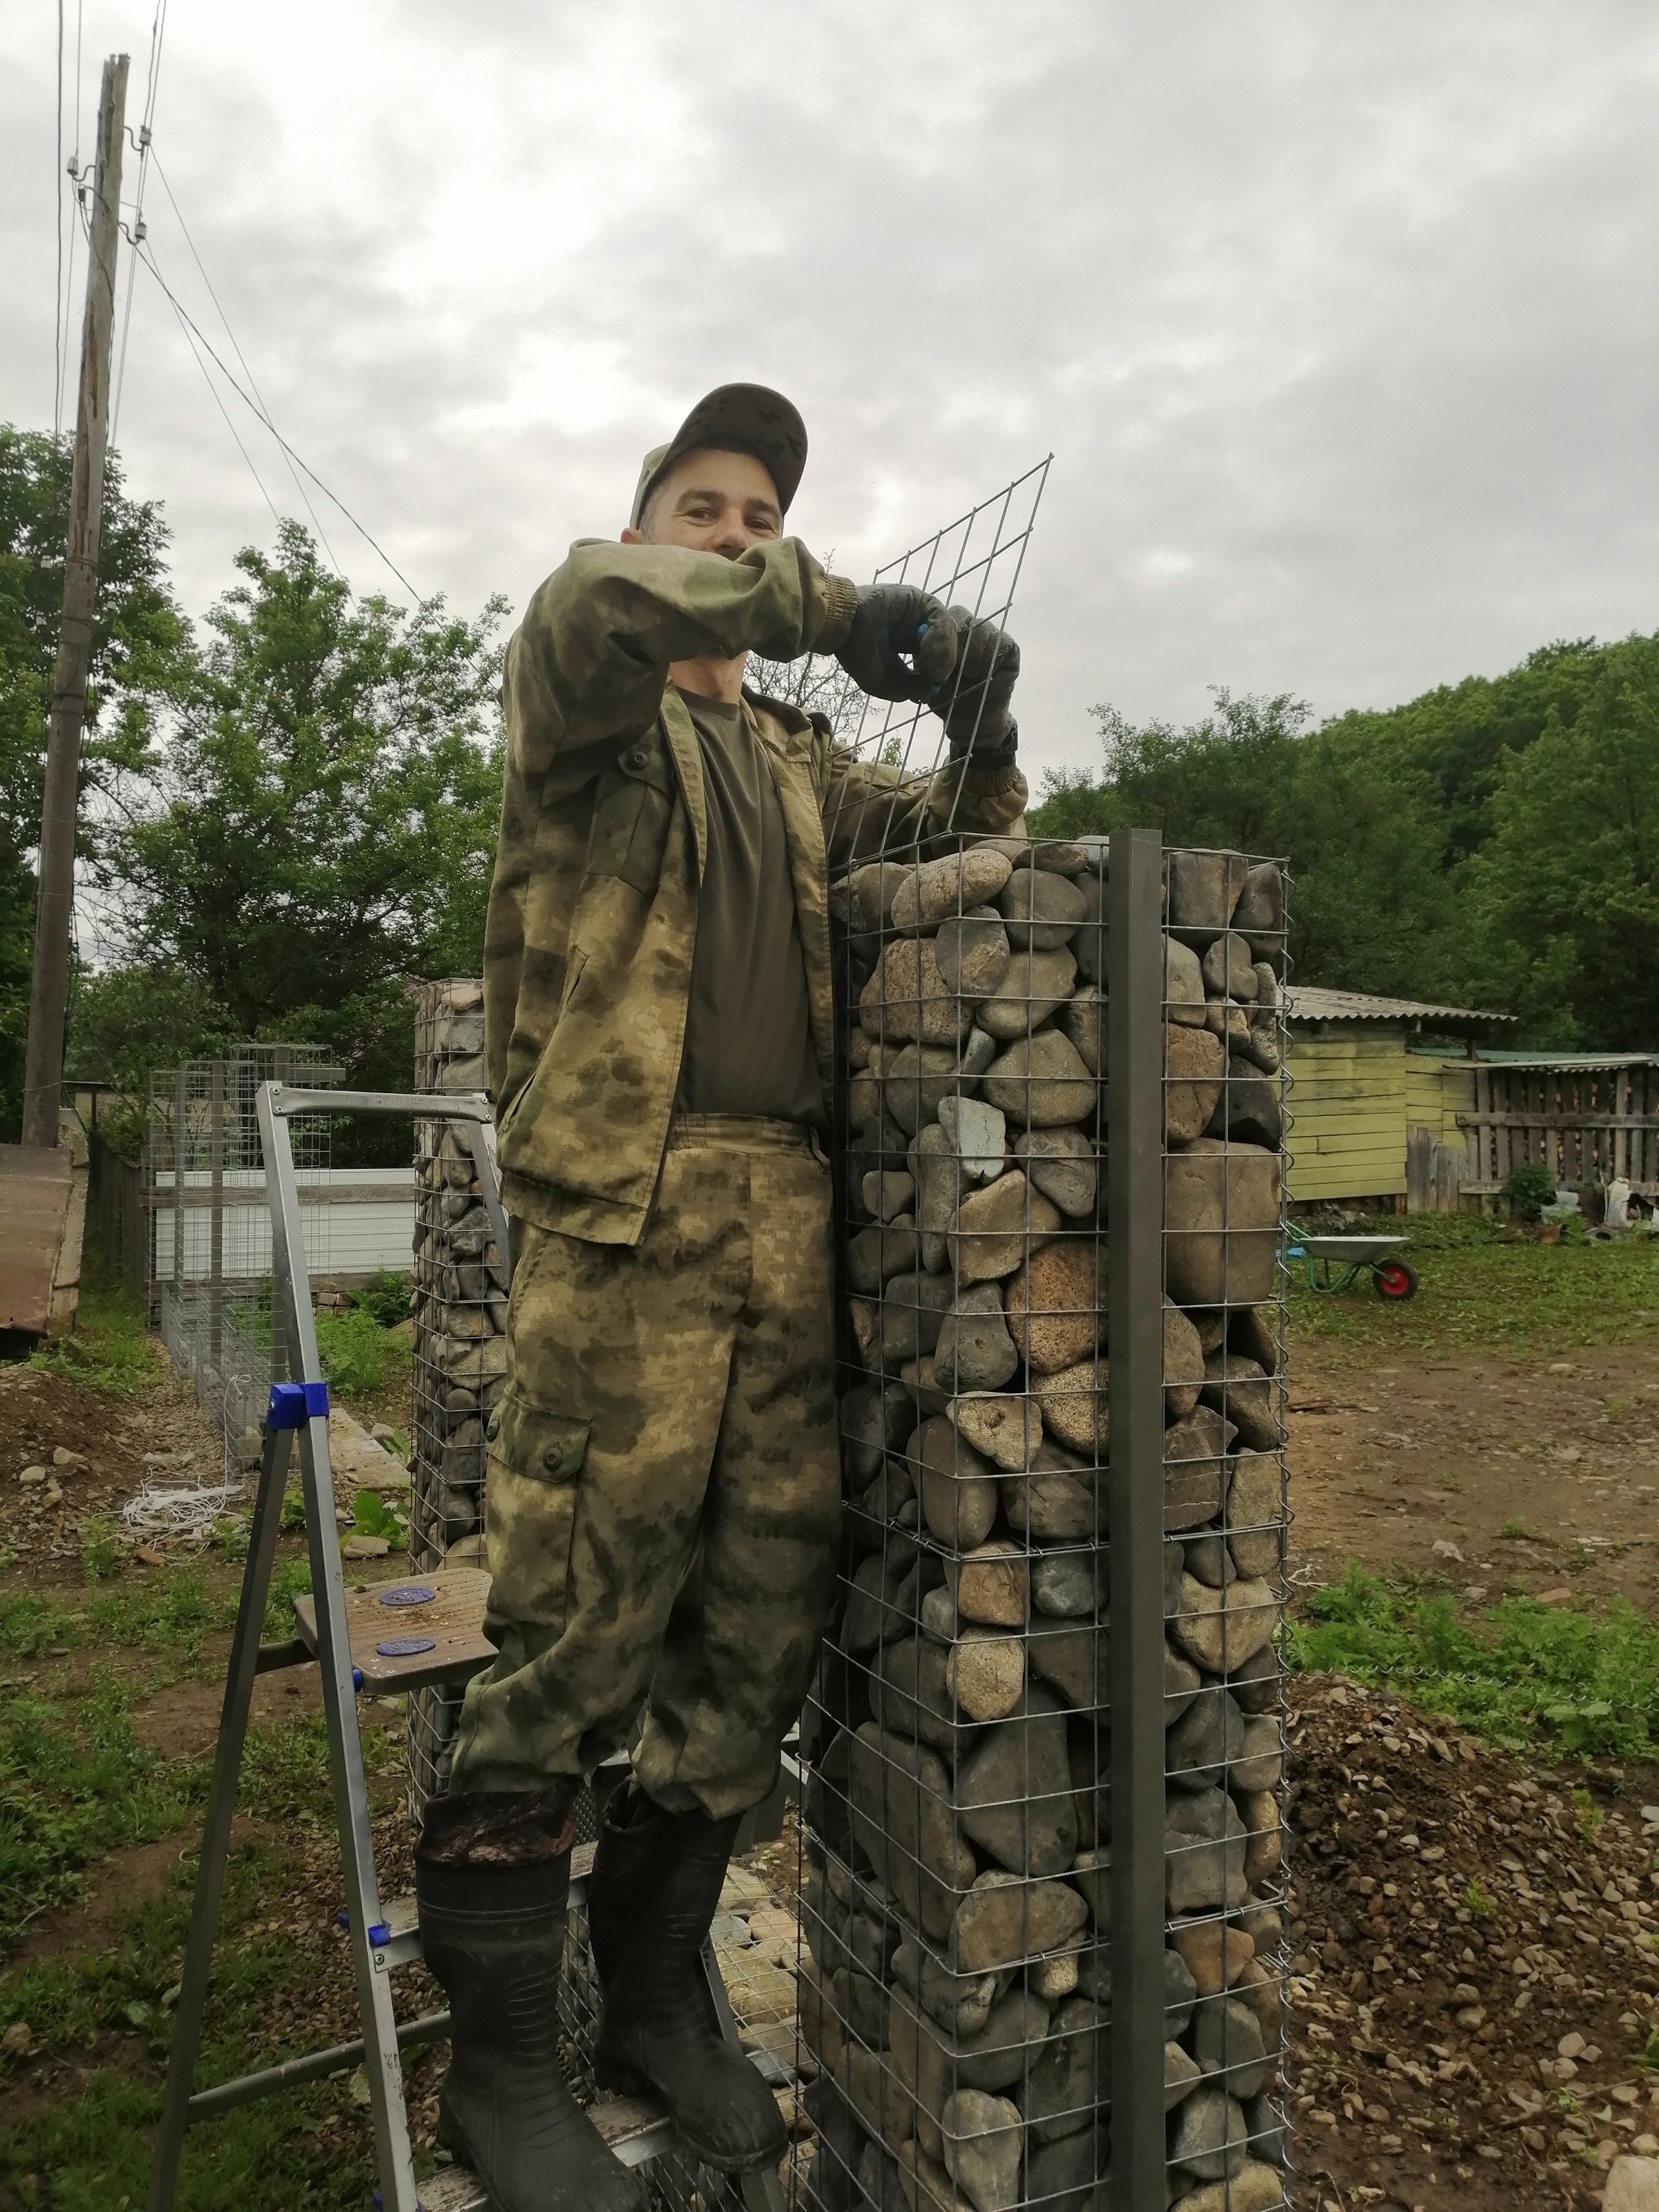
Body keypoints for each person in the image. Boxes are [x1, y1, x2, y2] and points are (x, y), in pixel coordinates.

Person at [413, 384, 1027, 2212]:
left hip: (784, 1214)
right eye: (710, 503)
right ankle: (498, 2067)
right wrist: (842, 606)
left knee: (753, 1631)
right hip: (629, 1215)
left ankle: (655, 1999)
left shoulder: (785, 765)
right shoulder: (587, 702)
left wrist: (980, 714)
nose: (740, 531)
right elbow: (603, 598)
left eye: (764, 511)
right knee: (574, 1631)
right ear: (653, 525)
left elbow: (930, 835)